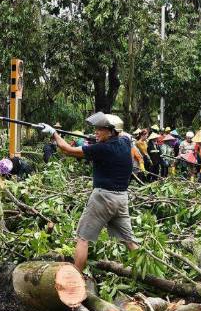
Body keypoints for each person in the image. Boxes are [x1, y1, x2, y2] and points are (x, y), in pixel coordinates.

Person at [39, 112, 138, 272]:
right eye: (96, 129)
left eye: (101, 129)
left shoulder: (102, 149)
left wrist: (54, 133)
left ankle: (76, 277)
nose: (96, 132)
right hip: (121, 199)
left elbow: (67, 150)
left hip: (103, 198)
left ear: (112, 131)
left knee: (83, 238)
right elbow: (125, 135)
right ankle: (149, 273)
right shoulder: (126, 142)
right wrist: (101, 137)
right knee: (129, 241)